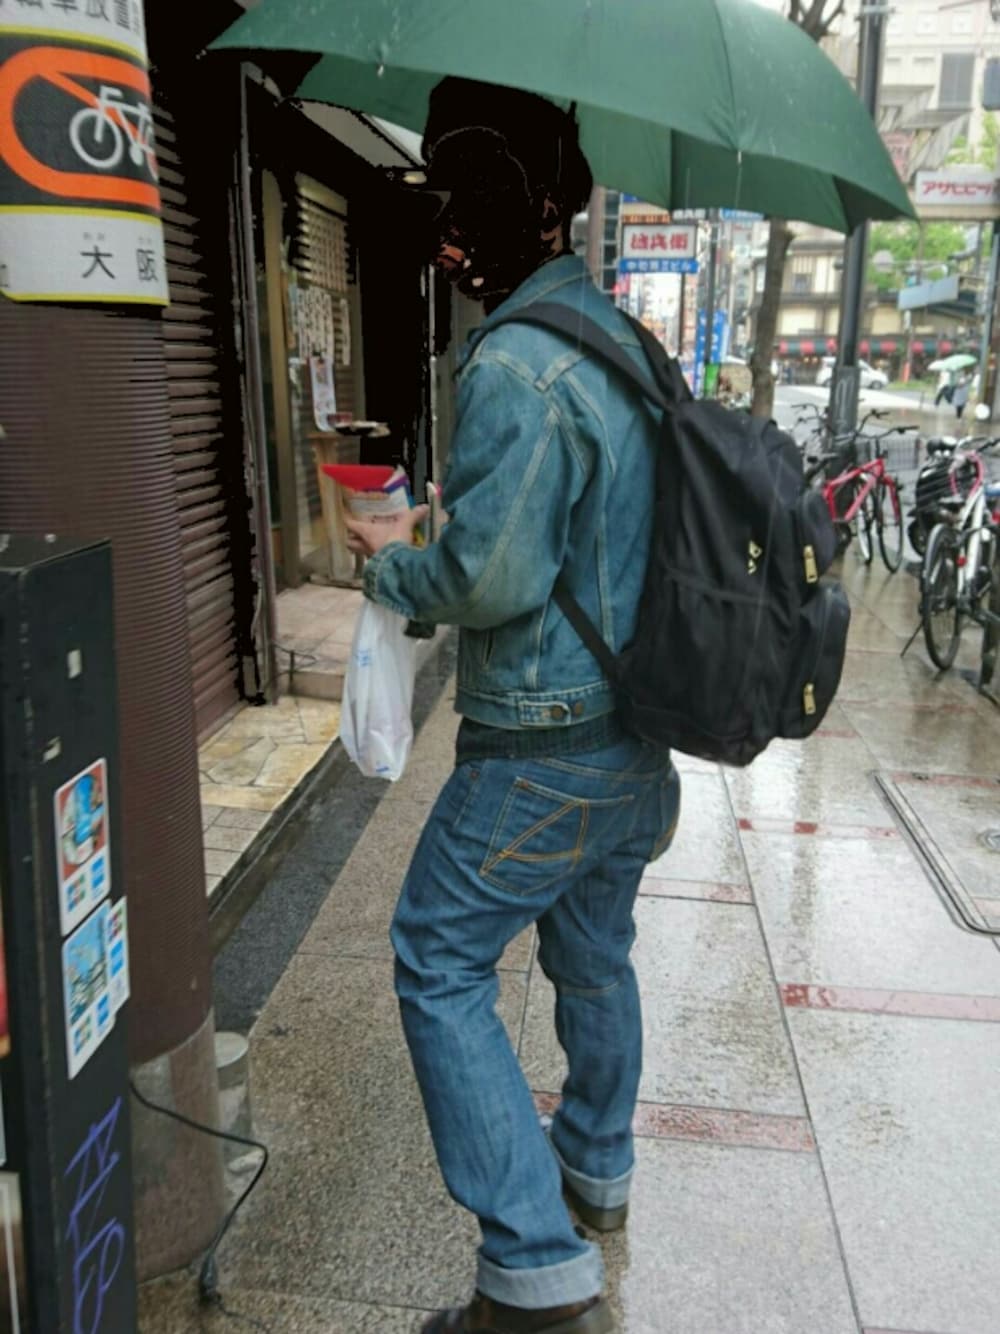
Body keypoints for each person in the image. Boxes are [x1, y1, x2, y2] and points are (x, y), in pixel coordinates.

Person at [345, 78, 679, 1334]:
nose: (447, 236)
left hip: (542, 746)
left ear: (520, 209)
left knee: (437, 956)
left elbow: (490, 577)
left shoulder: (519, 364)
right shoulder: (622, 341)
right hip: (636, 740)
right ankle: (594, 1163)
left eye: (459, 202)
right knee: (591, 953)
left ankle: (537, 1273)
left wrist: (394, 566)